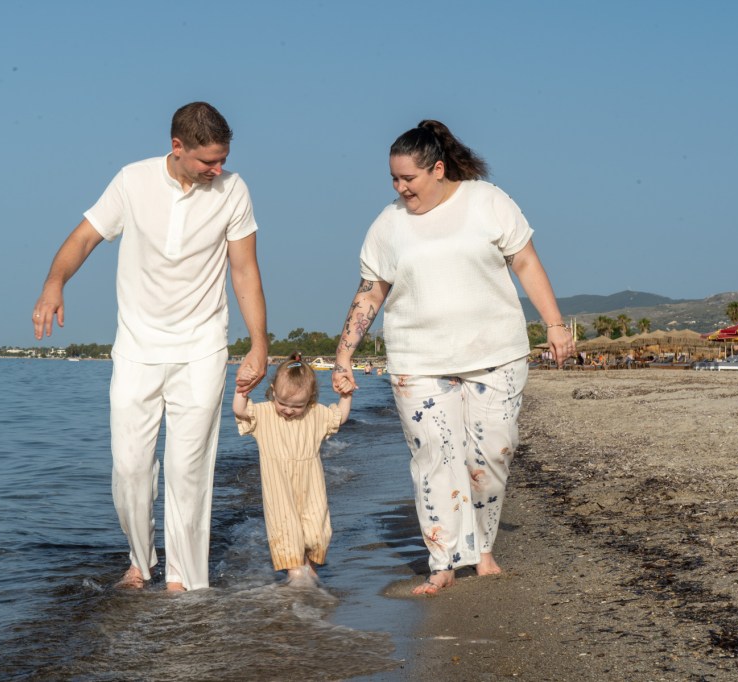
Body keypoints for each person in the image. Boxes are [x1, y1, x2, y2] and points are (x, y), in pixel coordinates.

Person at [31, 102, 268, 592]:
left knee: (189, 471)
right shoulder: (132, 181)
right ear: (177, 147)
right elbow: (83, 239)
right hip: (137, 349)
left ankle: (185, 580)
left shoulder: (233, 190)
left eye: (222, 159)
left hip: (202, 348)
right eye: (208, 161)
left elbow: (244, 270)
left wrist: (258, 343)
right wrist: (54, 284)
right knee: (131, 469)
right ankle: (141, 562)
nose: (217, 169)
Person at [331, 120, 574, 596]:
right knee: (434, 458)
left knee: (492, 455)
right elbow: (370, 293)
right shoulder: (388, 225)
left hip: (497, 353)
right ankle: (442, 560)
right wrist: (343, 357)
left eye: (409, 179)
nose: (401, 189)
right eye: (394, 181)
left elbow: (525, 261)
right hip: (418, 360)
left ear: (438, 169)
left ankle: (481, 549)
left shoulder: (487, 201)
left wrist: (555, 324)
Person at [233, 358, 352, 585]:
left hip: (312, 485)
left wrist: (346, 395)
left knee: (319, 532)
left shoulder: (316, 413)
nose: (288, 410)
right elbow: (239, 409)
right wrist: (243, 387)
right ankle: (296, 575)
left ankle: (311, 568)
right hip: (278, 487)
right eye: (283, 403)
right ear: (273, 392)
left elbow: (341, 417)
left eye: (297, 406)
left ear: (311, 399)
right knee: (286, 532)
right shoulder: (264, 414)